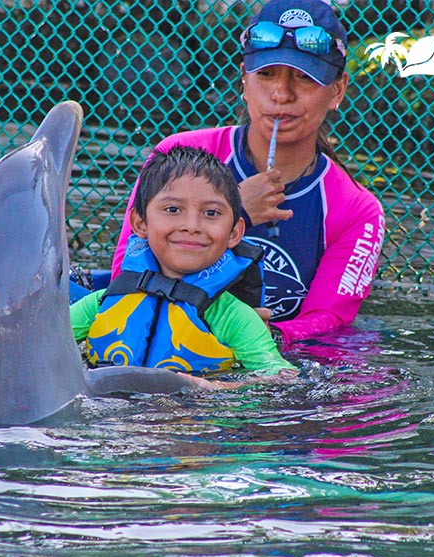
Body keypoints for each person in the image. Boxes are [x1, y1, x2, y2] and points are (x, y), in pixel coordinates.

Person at [111, 0, 384, 347]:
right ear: (244, 79)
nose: (281, 94)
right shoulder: (178, 155)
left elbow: (329, 323)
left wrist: (260, 335)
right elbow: (126, 276)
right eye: (266, 75)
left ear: (337, 90)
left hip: (274, 364)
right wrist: (233, 211)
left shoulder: (358, 210)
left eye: (304, 78)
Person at [71, 145, 297, 377]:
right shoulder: (103, 301)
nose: (191, 225)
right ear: (140, 223)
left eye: (211, 213)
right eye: (172, 209)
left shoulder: (233, 317)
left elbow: (280, 378)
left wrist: (217, 389)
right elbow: (39, 340)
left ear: (234, 232)